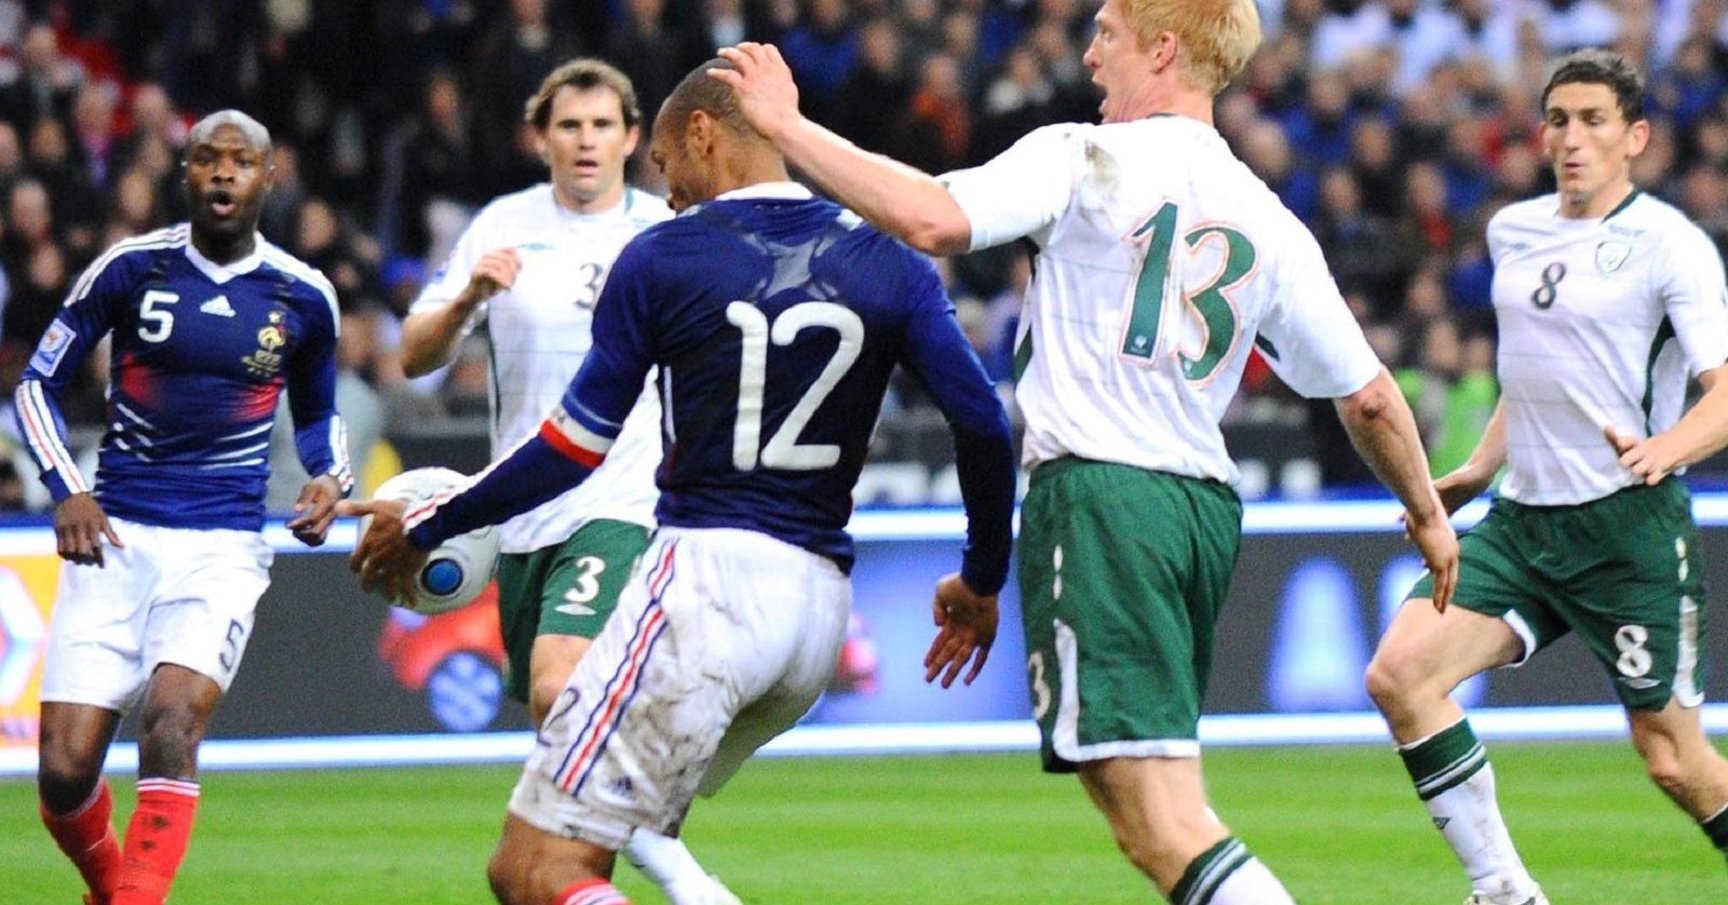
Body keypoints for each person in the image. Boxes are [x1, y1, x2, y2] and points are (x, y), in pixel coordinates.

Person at [707, 1, 1460, 901]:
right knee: (1168, 801)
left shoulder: (1080, 157)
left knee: (1155, 821)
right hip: (1199, 518)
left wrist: (786, 126)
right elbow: (1371, 397)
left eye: (1109, 33)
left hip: (1105, 498)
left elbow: (932, 219)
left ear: (1165, 47)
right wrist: (1424, 511)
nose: (1092, 53)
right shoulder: (1270, 218)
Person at [342, 58, 1018, 905]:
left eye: (666, 166)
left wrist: (436, 521)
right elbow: (985, 424)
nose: (665, 193)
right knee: (623, 837)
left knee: (531, 870)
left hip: (705, 587)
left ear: (702, 134)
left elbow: (571, 446)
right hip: (813, 617)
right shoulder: (886, 255)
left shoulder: (661, 254)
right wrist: (984, 577)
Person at [1364, 50, 1728, 905]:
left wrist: (1663, 449)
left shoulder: (1670, 245)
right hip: (1523, 523)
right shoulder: (1513, 230)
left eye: (1595, 120)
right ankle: (1505, 890)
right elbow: (1536, 375)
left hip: (1626, 531)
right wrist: (1476, 468)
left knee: (1673, 759)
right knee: (1400, 675)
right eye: (1559, 119)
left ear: (1635, 136)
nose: (1572, 138)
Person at [396, 58, 738, 905]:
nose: (585, 142)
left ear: (632, 138)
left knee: (562, 684)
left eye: (601, 126)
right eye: (568, 126)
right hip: (522, 516)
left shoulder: (664, 228)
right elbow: (413, 359)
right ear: (540, 137)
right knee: (565, 745)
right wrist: (468, 294)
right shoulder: (501, 227)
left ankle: (674, 866)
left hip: (627, 505)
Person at [20, 110, 351, 905]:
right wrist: (67, 487)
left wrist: (328, 477)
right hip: (116, 540)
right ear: (186, 174)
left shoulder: (304, 296)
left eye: (243, 161)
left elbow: (316, 416)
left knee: (170, 723)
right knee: (64, 775)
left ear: (269, 178)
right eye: (208, 158)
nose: (225, 173)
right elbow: (37, 382)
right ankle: (111, 887)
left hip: (221, 548)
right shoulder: (129, 269)